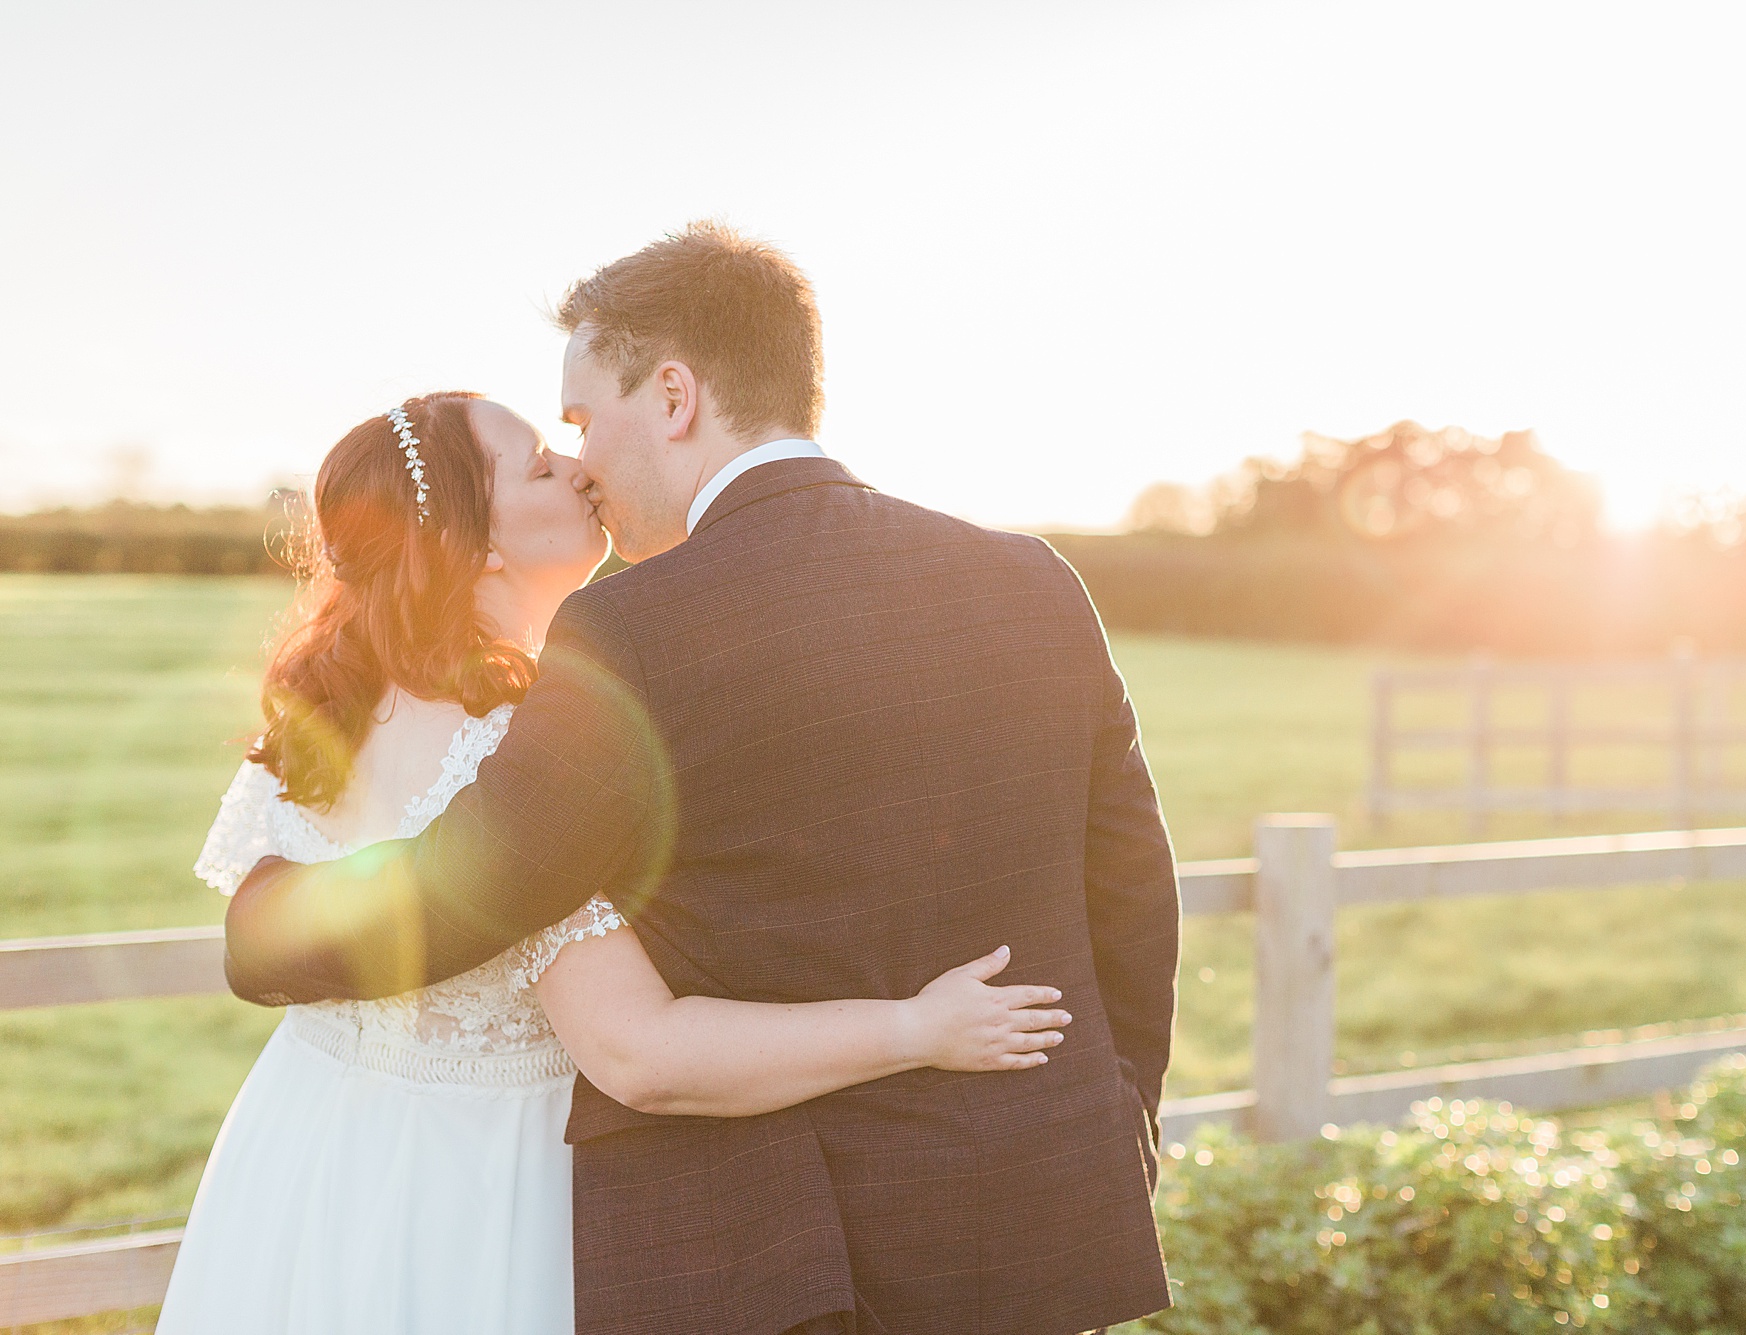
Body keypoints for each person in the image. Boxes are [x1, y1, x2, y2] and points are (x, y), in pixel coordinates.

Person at [226, 222, 1181, 1335]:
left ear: (672, 397)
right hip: (1032, 1228)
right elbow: (1129, 891)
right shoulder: (1031, 580)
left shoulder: (630, 630)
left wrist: (264, 926)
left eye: (582, 417)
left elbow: (467, 888)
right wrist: (1119, 1132)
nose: (578, 460)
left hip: (774, 1261)